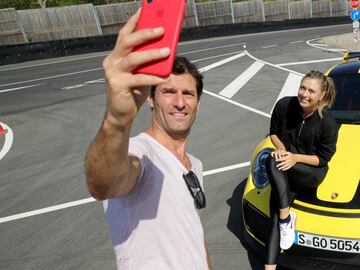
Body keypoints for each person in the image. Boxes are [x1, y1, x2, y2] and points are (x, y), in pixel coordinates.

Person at [84, 10, 211, 270]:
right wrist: (117, 121)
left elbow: (195, 237)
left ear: (198, 102)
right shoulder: (140, 152)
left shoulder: (194, 165)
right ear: (150, 99)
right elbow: (103, 184)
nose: (179, 102)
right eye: (168, 92)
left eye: (188, 93)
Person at [264, 71, 338, 270]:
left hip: (310, 172)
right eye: (302, 88)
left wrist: (295, 158)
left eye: (311, 91)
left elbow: (323, 159)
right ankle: (284, 218)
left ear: (321, 96)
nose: (304, 94)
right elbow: (273, 133)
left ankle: (285, 216)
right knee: (271, 160)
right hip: (285, 169)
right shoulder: (284, 105)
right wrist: (282, 151)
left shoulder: (328, 122)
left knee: (275, 164)